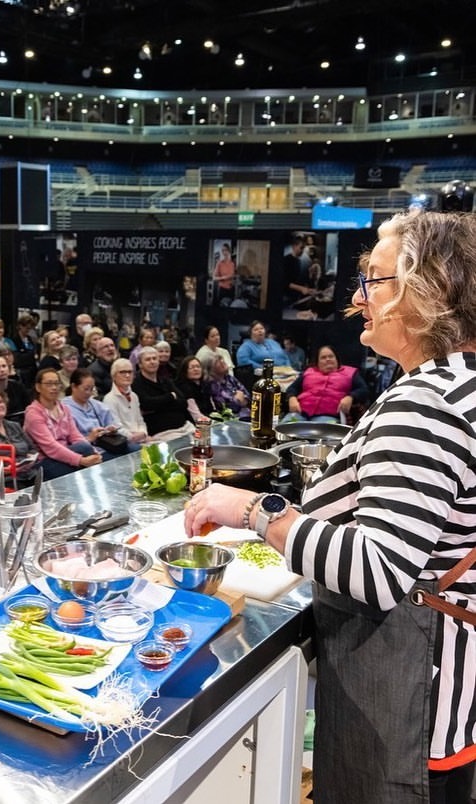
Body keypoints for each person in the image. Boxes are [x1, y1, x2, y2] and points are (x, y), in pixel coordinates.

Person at [185, 210, 476, 804]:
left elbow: (378, 571)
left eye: (376, 278)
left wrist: (256, 511)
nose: (360, 296)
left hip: (413, 703)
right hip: (449, 696)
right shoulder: (460, 381)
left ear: (428, 292)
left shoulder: (424, 404)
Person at [22, 367, 101, 480]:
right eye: (49, 384)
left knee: (86, 449)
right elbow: (51, 447)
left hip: (66, 453)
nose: (54, 388)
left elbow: (75, 436)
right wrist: (81, 460)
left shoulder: (63, 408)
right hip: (43, 461)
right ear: (38, 387)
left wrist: (93, 452)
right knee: (84, 468)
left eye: (56, 383)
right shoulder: (33, 413)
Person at [281, 344, 369, 424]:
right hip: (299, 413)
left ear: (337, 359)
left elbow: (363, 390)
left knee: (319, 437)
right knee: (284, 431)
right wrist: (292, 398)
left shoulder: (350, 372)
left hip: (328, 416)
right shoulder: (309, 372)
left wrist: (350, 397)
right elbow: (292, 388)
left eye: (331, 356)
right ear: (317, 362)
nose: (328, 359)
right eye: (323, 357)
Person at [62, 369, 128, 458]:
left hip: (108, 444)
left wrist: (111, 429)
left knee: (135, 449)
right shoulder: (64, 408)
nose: (89, 393)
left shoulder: (97, 405)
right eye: (86, 389)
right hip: (88, 451)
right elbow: (70, 442)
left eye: (91, 389)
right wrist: (89, 438)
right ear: (73, 386)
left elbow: (112, 423)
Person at [132, 346, 193, 440]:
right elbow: (147, 404)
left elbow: (183, 403)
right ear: (140, 364)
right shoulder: (136, 383)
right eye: (148, 359)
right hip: (162, 433)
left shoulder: (166, 380)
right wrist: (171, 397)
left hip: (185, 427)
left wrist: (159, 405)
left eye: (154, 358)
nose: (152, 362)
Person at [102, 358, 149, 446]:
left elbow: (140, 421)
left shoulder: (134, 396)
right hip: (125, 443)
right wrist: (133, 437)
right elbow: (116, 427)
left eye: (130, 372)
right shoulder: (109, 399)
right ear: (114, 376)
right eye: (122, 372)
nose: (127, 375)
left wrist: (143, 433)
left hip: (142, 439)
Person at [205, 355, 251, 420]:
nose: (222, 362)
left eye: (222, 360)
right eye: (217, 362)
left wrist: (243, 400)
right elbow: (226, 407)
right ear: (211, 369)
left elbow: (247, 394)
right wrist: (239, 400)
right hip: (229, 418)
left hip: (246, 414)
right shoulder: (212, 385)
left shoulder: (229, 378)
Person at [175, 355, 216, 421]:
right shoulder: (184, 388)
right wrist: (213, 422)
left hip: (209, 417)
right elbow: (195, 415)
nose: (196, 369)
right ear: (185, 371)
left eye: (198, 367)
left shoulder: (205, 385)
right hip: (198, 422)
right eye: (192, 367)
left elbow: (212, 408)